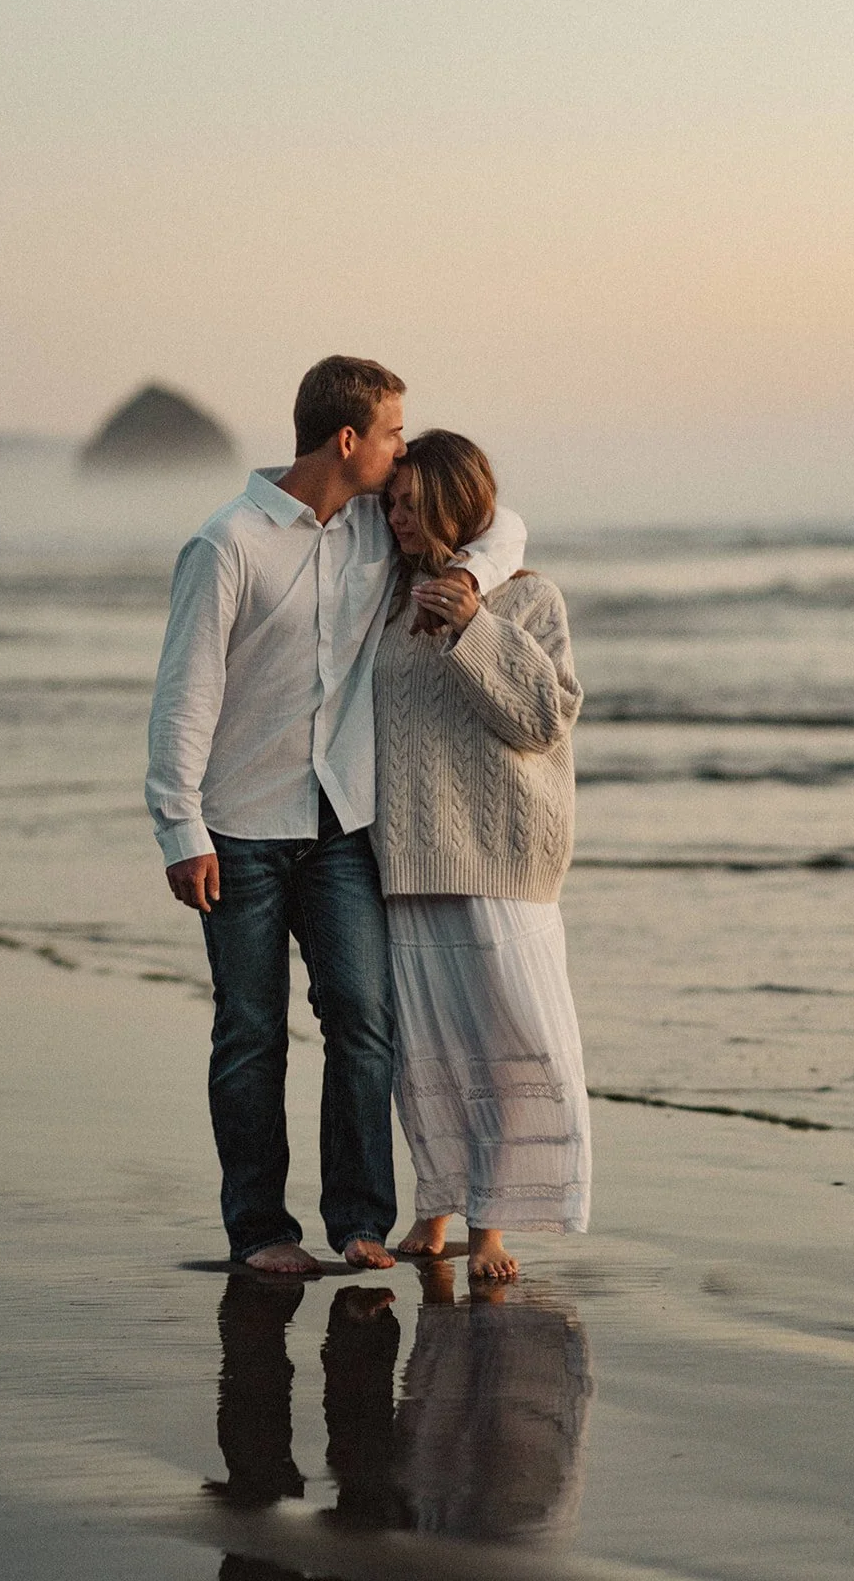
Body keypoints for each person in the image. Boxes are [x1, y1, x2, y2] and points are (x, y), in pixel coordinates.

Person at [145, 359, 526, 1274]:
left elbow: (502, 525)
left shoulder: (373, 526)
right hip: (238, 825)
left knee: (363, 1017)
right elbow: (184, 697)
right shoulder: (226, 543)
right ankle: (261, 1233)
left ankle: (358, 1221)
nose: (402, 445)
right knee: (251, 1031)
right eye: (393, 431)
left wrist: (469, 579)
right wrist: (179, 828)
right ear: (347, 440)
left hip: (344, 822)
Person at [370, 429, 591, 1279]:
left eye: (411, 502)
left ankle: (489, 1227)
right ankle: (434, 1207)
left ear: (458, 503)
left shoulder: (530, 600)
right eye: (390, 501)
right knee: (425, 1047)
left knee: (507, 1046)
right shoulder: (385, 598)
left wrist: (472, 628)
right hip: (409, 855)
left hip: (503, 858)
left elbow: (543, 719)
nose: (395, 516)